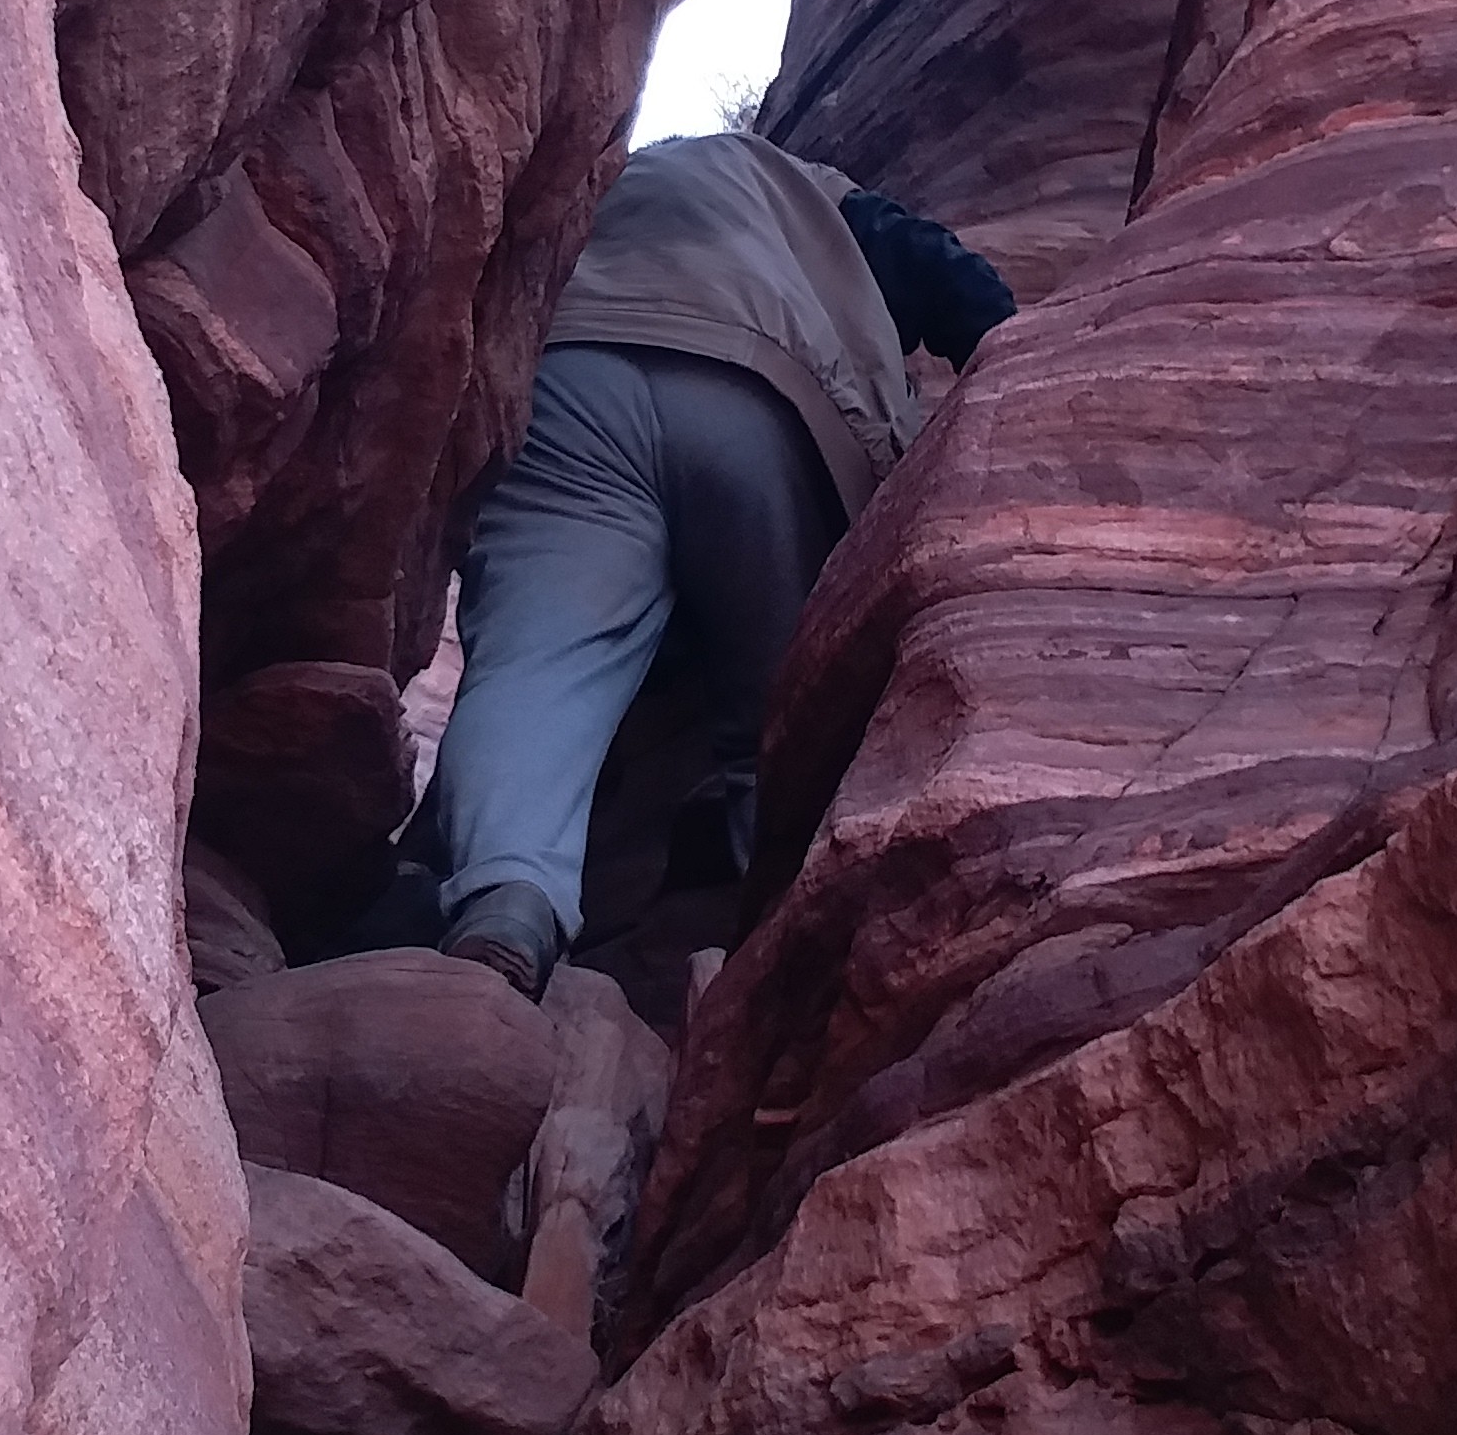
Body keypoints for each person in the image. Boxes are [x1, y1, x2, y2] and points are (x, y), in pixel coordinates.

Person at [417, 128, 1016, 996]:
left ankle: (507, 904)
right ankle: (779, 980)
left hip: (574, 378)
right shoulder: (802, 188)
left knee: (535, 668)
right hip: (758, 383)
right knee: (785, 718)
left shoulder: (598, 184)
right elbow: (947, 278)